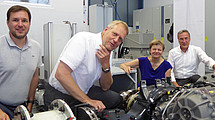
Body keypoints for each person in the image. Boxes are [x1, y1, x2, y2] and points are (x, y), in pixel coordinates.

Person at [43, 20, 129, 112]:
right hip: (60, 94)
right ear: (106, 30)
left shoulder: (109, 49)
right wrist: (88, 101)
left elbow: (105, 87)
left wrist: (105, 66)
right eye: (114, 34)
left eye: (120, 39)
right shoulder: (83, 40)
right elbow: (61, 74)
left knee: (116, 99)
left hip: (85, 91)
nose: (116, 40)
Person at [0, 5, 42, 120]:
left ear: (29, 23)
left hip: (22, 107)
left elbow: (34, 76)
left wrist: (30, 102)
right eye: (15, 20)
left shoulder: (36, 47)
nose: (20, 24)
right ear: (7, 22)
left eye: (24, 20)